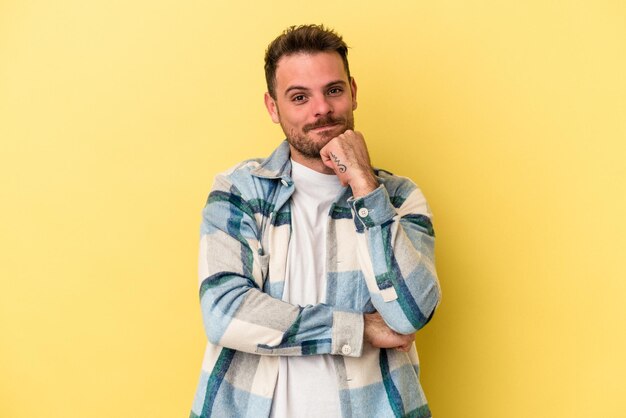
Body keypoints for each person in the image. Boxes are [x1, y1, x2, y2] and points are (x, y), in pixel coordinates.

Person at [190, 24, 441, 418]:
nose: (321, 108)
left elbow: (410, 314)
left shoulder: (398, 197)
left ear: (353, 93)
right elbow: (224, 312)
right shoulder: (239, 192)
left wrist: (364, 184)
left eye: (333, 90)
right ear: (273, 108)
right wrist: (356, 329)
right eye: (299, 97)